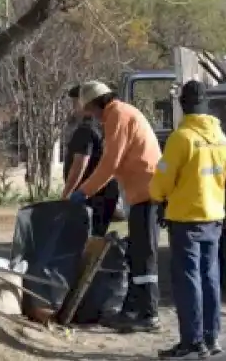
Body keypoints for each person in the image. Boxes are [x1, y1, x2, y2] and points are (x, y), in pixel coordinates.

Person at [68, 81, 163, 333]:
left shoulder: (117, 115)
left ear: (94, 103)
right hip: (143, 191)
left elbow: (110, 163)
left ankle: (148, 313)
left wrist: (83, 192)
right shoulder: (120, 113)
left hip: (147, 192)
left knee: (144, 255)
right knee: (138, 253)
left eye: (88, 109)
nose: (90, 115)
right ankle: (136, 310)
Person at [149, 80, 226, 359]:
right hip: (213, 215)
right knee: (210, 276)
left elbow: (162, 177)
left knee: (188, 279)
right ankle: (212, 336)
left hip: (186, 217)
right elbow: (222, 175)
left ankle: (192, 341)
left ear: (183, 105)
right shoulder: (220, 136)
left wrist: (158, 197)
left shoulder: (181, 138)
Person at [60, 85, 120, 237]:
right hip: (106, 194)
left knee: (85, 241)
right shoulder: (103, 124)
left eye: (75, 103)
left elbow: (80, 164)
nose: (74, 108)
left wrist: (66, 195)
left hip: (91, 198)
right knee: (95, 240)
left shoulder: (85, 129)